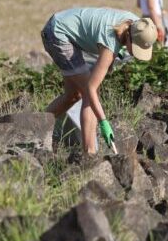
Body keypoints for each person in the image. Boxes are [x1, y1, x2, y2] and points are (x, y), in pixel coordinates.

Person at [41, 8, 158, 154]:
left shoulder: (137, 25)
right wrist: (103, 122)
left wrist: (110, 61)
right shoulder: (110, 41)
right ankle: (89, 155)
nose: (134, 53)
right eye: (135, 48)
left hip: (62, 26)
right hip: (57, 33)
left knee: (73, 95)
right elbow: (91, 88)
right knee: (89, 94)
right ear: (129, 37)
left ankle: (35, 127)